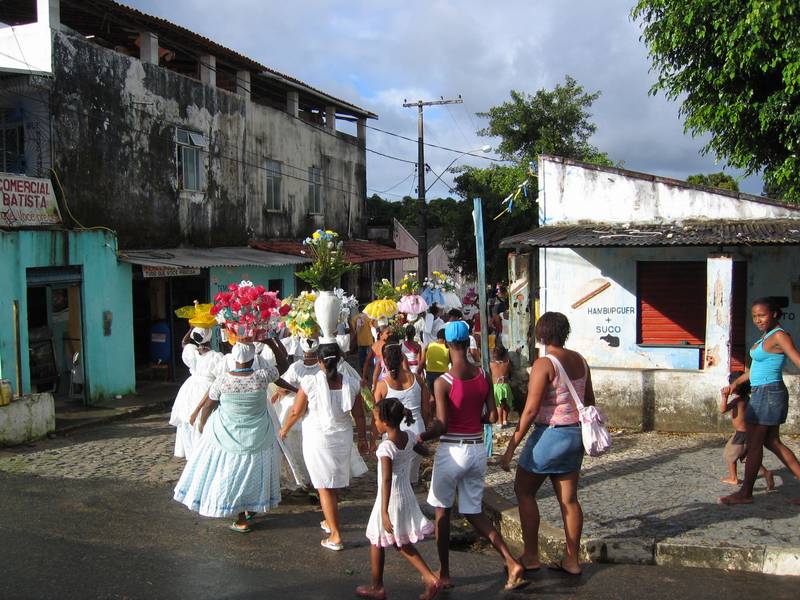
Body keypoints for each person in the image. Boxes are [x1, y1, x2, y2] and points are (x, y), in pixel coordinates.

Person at [419, 320, 525, 590]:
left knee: (442, 512)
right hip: (477, 449)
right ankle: (511, 561)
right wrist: (470, 418)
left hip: (452, 451)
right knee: (474, 511)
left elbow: (441, 424)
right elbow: (491, 416)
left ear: (446, 345)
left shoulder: (443, 382)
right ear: (468, 343)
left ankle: (444, 573)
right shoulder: (482, 376)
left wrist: (421, 436)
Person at [500, 311, 593, 576]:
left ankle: (531, 555)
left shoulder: (544, 364)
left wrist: (510, 448)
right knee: (569, 500)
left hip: (550, 435)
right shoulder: (580, 361)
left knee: (524, 491)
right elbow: (590, 401)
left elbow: (530, 411)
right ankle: (572, 560)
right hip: (574, 435)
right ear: (564, 333)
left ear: (541, 334)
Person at [173, 342, 281, 533]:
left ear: (233, 357)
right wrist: (272, 341)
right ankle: (250, 508)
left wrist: (202, 423)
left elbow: (209, 405)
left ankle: (241, 517)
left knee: (232, 473)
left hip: (227, 434)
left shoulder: (223, 380)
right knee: (252, 471)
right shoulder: (262, 377)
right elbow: (283, 366)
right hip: (257, 434)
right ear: (251, 358)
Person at [279, 343, 369, 550]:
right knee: (332, 481)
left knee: (323, 485)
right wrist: (363, 439)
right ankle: (330, 521)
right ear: (339, 360)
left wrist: (284, 429)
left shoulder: (310, 382)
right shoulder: (351, 382)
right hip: (342, 436)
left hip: (318, 437)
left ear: (320, 362)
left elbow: (296, 411)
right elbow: (359, 416)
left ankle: (336, 535)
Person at [356, 398, 440, 600]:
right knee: (394, 541)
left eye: (375, 419)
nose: (374, 423)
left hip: (389, 498)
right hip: (405, 494)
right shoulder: (408, 437)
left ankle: (383, 585)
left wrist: (384, 511)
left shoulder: (385, 448)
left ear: (385, 421)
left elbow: (385, 480)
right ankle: (424, 578)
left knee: (386, 540)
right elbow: (425, 450)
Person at [720, 297, 800, 505]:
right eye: (754, 316)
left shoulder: (780, 336)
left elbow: (797, 359)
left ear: (774, 314)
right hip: (760, 392)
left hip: (770, 393)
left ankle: (745, 493)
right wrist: (736, 383)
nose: (758, 319)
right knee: (772, 442)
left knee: (755, 443)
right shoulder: (764, 338)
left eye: (762, 315)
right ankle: (746, 492)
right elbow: (753, 370)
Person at [373, 342, 431, 484]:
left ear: (385, 362)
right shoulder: (417, 379)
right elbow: (426, 410)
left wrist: (373, 438)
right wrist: (426, 428)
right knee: (410, 481)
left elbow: (377, 415)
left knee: (393, 480)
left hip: (393, 436)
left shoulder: (382, 386)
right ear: (402, 358)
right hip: (417, 432)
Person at [169, 327, 224, 460]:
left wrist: (191, 327)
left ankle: (191, 451)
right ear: (210, 337)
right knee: (204, 419)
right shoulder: (216, 357)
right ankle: (202, 451)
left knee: (188, 418)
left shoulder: (192, 352)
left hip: (190, 388)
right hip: (207, 389)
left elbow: (184, 342)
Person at [720, 372, 774, 489]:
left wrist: (724, 397)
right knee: (748, 457)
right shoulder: (747, 398)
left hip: (740, 434)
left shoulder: (737, 401)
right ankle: (766, 473)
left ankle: (733, 478)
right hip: (747, 432)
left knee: (730, 455)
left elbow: (723, 410)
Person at [490, 346, 513, 428]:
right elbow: (510, 372)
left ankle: (500, 422)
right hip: (506, 386)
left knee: (499, 405)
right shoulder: (507, 363)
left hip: (496, 386)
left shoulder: (491, 364)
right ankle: (505, 420)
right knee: (506, 404)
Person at [421, 328, 449, 395]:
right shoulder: (448, 348)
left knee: (431, 396)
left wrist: (427, 369)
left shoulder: (429, 345)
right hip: (443, 374)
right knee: (442, 396)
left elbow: (422, 361)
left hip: (429, 374)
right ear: (446, 337)